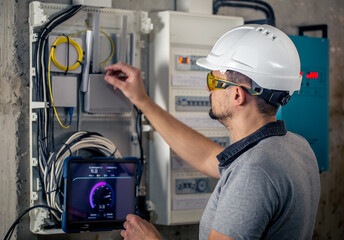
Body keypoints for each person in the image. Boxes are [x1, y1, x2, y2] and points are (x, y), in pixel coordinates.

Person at [104, 24, 321, 240]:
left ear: (237, 95)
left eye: (213, 81)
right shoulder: (295, 147)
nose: (208, 89)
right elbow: (207, 156)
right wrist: (142, 100)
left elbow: (248, 173)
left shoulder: (254, 172)